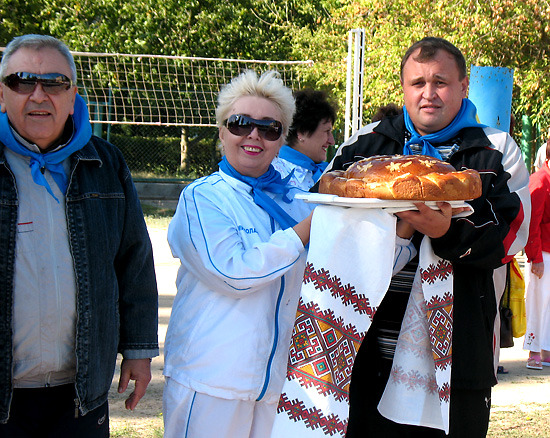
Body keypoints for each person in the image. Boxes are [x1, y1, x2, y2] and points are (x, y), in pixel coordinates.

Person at [322, 37, 530, 437]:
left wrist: (449, 232)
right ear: (403, 87)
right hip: (363, 352)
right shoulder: (364, 146)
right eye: (418, 83)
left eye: (441, 82)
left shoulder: (495, 149)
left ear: (464, 86)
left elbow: (512, 234)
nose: (428, 94)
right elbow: (329, 218)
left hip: (455, 357)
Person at [0, 34, 159, 437]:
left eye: (54, 83)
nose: (38, 95)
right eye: (22, 81)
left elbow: (134, 260)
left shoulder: (105, 163)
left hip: (79, 393)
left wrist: (138, 350)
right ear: (2, 95)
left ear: (73, 97)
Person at [271, 88, 337, 190]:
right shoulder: (275, 175)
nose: (332, 141)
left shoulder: (325, 172)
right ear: (302, 132)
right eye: (326, 131)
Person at [523, 140, 550, 370]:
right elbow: (532, 222)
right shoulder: (540, 180)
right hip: (542, 252)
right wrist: (535, 257)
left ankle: (546, 350)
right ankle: (534, 352)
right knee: (537, 302)